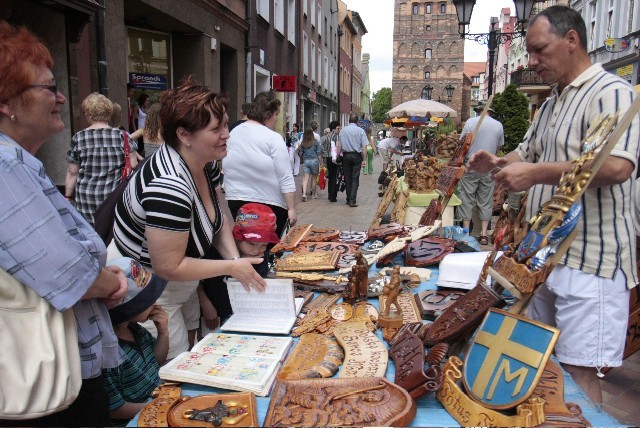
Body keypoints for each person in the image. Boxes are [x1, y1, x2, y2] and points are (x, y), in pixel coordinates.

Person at [468, 5, 640, 403]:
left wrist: (534, 174)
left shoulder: (612, 93)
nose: (532, 62)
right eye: (528, 52)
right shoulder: (550, 103)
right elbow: (526, 152)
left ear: (572, 40)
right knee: (540, 363)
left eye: (539, 50)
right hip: (545, 257)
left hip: (591, 260)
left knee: (579, 372)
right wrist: (499, 162)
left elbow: (616, 166)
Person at [0, 21, 128, 426]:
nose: (58, 98)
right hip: (45, 382)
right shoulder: (5, 167)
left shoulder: (19, 163)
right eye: (47, 88)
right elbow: (71, 276)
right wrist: (113, 282)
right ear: (7, 102)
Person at [112, 77, 266, 360]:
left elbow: (218, 220)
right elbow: (168, 266)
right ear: (184, 135)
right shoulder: (167, 185)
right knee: (172, 372)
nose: (226, 134)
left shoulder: (205, 164)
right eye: (215, 128)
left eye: (225, 125)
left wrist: (234, 261)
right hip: (148, 294)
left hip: (178, 286)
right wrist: (231, 268)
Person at [223, 90, 298, 236]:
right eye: (276, 115)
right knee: (267, 249)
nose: (277, 119)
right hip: (268, 204)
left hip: (237, 201)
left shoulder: (233, 133)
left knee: (247, 244)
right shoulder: (273, 138)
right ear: (268, 114)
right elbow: (285, 177)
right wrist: (291, 208)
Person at [103, 257, 169, 422]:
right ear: (127, 309)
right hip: (137, 418)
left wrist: (163, 333)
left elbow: (156, 361)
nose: (154, 302)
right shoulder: (108, 353)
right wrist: (162, 406)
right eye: (147, 300)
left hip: (156, 400)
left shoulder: (136, 330)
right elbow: (116, 410)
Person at [200, 203, 281, 330]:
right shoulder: (214, 252)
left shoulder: (261, 257)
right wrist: (206, 305)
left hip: (245, 314)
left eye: (264, 245)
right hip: (216, 310)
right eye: (252, 244)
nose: (257, 250)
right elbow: (197, 281)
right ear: (237, 237)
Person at [65, 93, 141, 226]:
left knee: (89, 233)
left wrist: (68, 196)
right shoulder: (123, 136)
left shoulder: (79, 137)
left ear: (89, 114)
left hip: (86, 197)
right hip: (113, 197)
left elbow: (72, 172)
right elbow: (133, 169)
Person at [458, 106, 504, 245]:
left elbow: (461, 144)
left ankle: (466, 232)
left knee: (466, 198)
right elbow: (498, 148)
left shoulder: (470, 122)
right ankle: (484, 234)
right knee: (486, 200)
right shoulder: (498, 125)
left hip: (471, 166)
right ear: (491, 111)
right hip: (489, 167)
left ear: (478, 111)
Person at [336, 114, 368, 207]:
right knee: (355, 178)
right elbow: (364, 146)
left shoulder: (343, 131)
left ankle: (348, 198)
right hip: (356, 155)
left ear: (349, 121)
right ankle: (352, 200)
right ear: (357, 121)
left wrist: (338, 156)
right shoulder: (361, 131)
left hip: (346, 156)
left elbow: (339, 145)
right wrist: (364, 159)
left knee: (347, 178)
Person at [299, 127, 323, 201]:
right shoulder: (315, 142)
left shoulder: (303, 143)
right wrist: (321, 163)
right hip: (314, 161)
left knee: (305, 178)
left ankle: (304, 194)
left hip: (306, 161)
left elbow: (300, 153)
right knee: (313, 179)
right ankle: (313, 195)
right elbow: (319, 153)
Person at [320, 120, 340, 202]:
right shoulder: (335, 136)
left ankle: (330, 194)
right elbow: (335, 147)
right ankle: (332, 196)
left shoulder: (326, 136)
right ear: (333, 129)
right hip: (333, 158)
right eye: (338, 128)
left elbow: (320, 145)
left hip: (328, 158)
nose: (339, 130)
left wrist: (324, 153)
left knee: (330, 177)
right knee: (334, 177)